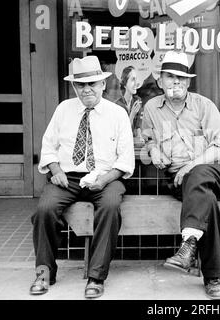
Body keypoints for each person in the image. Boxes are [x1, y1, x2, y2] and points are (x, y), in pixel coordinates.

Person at [30, 55, 135, 299]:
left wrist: (105, 179)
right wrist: (55, 171)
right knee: (44, 209)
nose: (86, 89)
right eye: (80, 85)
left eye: (92, 84)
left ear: (103, 85)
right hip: (68, 178)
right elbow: (48, 146)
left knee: (110, 207)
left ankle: (96, 276)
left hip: (106, 177)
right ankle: (44, 271)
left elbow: (125, 160)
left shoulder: (117, 114)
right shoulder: (63, 109)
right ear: (74, 86)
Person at [141, 51, 220, 300]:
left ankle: (189, 249)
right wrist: (153, 149)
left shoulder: (204, 105)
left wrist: (189, 166)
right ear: (160, 80)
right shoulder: (151, 108)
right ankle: (211, 276)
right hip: (178, 181)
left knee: (199, 175)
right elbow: (147, 138)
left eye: (182, 78)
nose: (177, 82)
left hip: (215, 171)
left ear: (189, 82)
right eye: (170, 77)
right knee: (207, 201)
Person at [115, 66, 145, 145]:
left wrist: (139, 137)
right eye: (132, 80)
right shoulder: (117, 105)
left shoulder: (137, 101)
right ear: (125, 84)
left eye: (136, 79)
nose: (136, 83)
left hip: (134, 145)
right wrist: (132, 114)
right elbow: (122, 132)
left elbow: (139, 125)